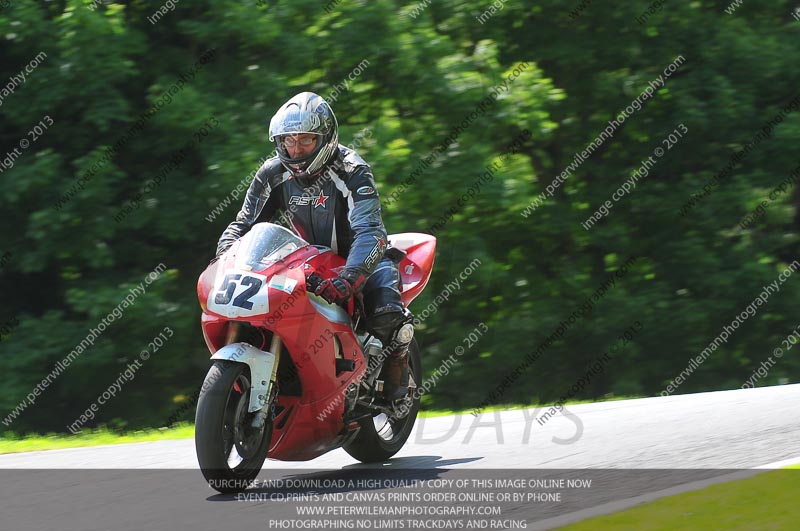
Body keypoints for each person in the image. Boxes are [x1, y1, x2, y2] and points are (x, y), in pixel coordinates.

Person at [215, 92, 414, 400]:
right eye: (288, 140)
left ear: (325, 138)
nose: (295, 149)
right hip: (304, 261)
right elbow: (243, 225)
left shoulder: (353, 170)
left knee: (385, 311)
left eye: (305, 140)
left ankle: (398, 354)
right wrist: (223, 259)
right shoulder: (271, 172)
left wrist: (349, 278)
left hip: (357, 258)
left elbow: (370, 231)